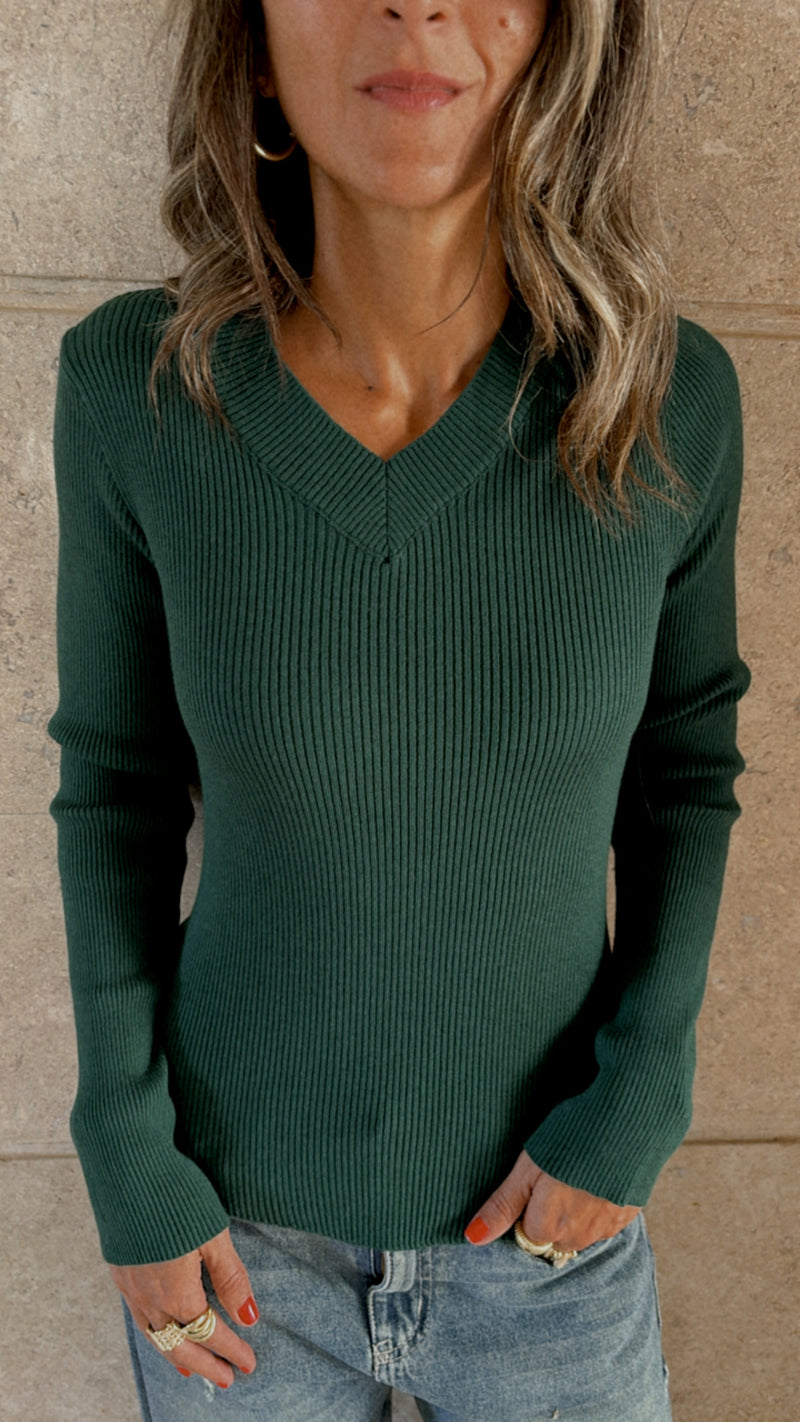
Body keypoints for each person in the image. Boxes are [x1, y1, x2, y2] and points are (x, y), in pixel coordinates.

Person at [48, 1, 751, 1418]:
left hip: (553, 1239)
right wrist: (123, 1150)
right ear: (254, 43)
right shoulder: (139, 388)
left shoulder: (662, 401)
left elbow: (684, 771)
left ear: (561, 38)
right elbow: (117, 787)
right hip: (232, 1248)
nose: (416, 6)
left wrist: (642, 1094)